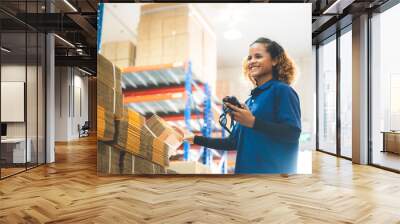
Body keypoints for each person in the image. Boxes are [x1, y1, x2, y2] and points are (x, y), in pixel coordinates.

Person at [184, 37, 301, 174]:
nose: (251, 62)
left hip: (272, 179)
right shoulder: (250, 102)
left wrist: (253, 122)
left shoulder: (282, 91)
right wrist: (194, 138)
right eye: (249, 58)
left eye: (258, 56)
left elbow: (293, 133)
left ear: (274, 60)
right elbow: (232, 142)